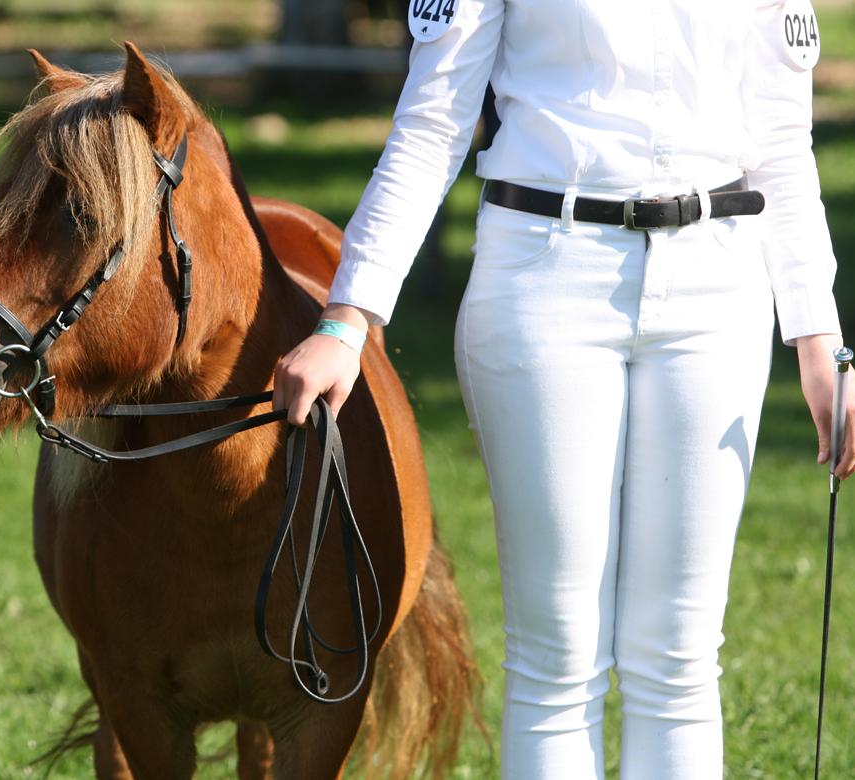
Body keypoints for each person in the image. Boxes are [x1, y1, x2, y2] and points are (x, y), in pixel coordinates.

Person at [271, 1, 854, 777]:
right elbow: (433, 122)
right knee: (558, 656)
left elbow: (782, 141)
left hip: (719, 283)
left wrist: (819, 340)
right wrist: (346, 321)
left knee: (679, 658)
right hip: (544, 277)